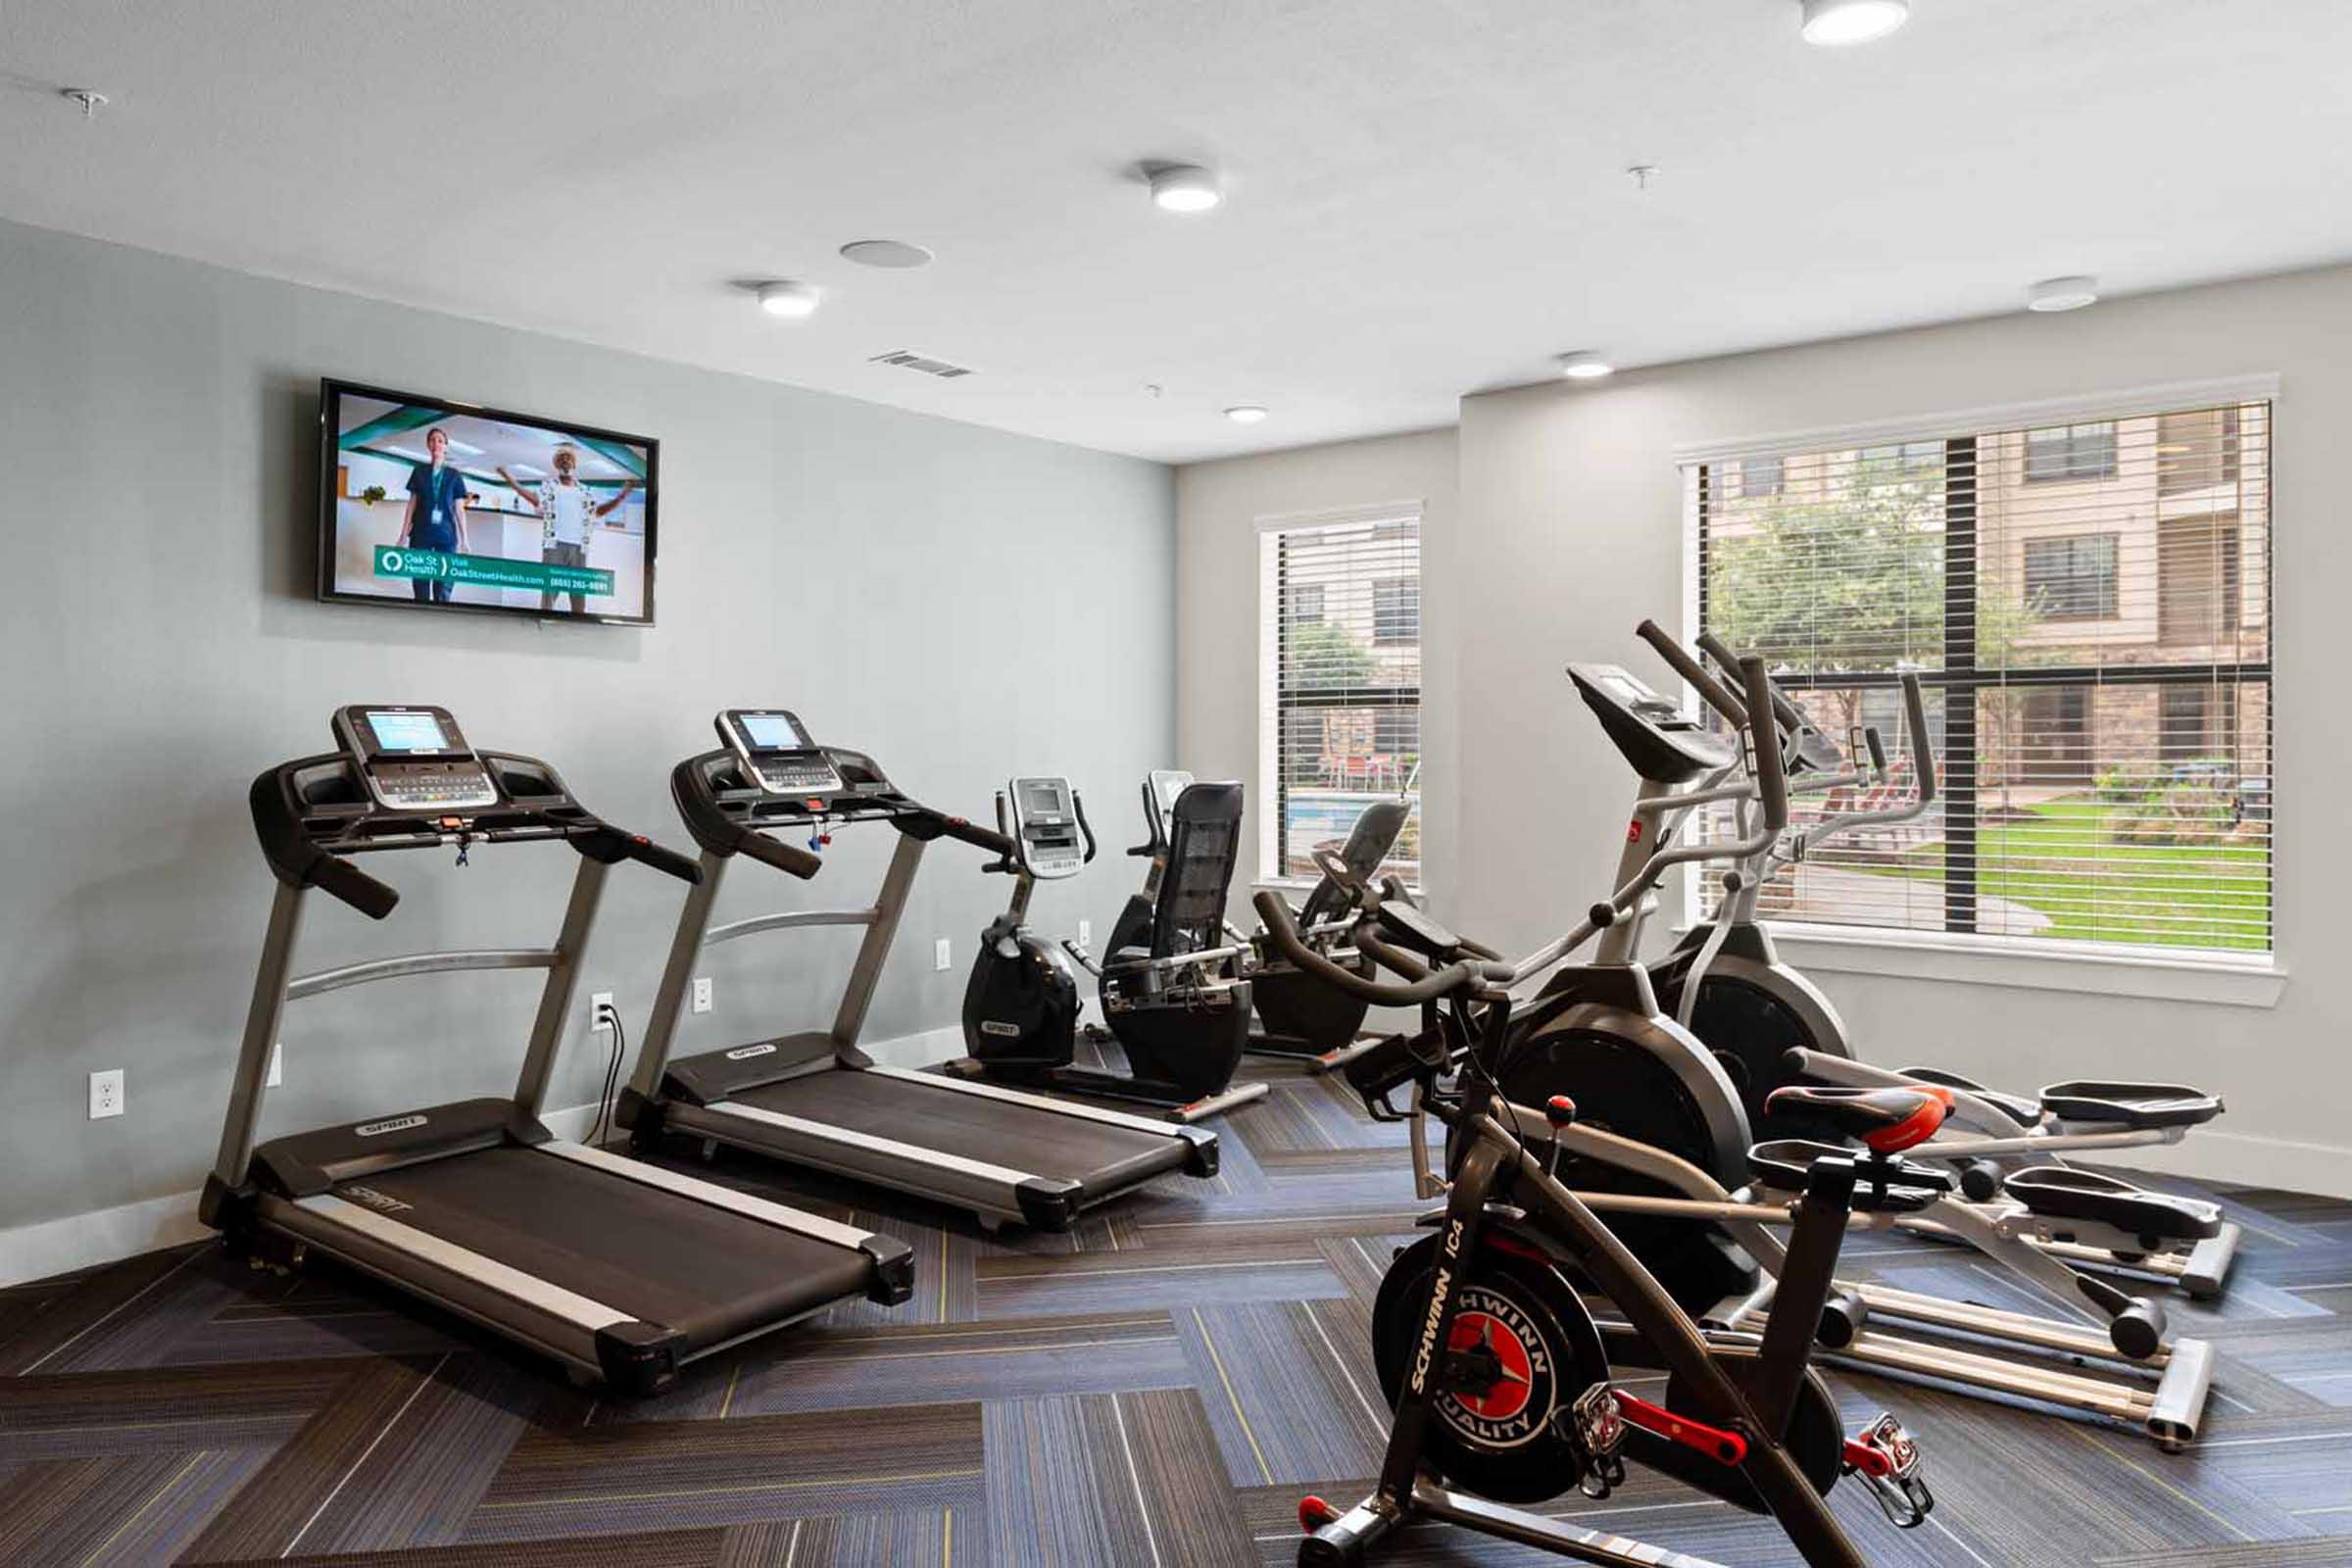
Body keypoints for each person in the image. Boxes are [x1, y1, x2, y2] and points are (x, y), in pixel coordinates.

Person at [498, 445, 637, 614]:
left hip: (580, 547)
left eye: (569, 458)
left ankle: (579, 626)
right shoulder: (549, 487)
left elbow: (598, 511)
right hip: (554, 546)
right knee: (549, 591)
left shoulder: (585, 491)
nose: (565, 461)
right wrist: (508, 478)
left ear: (574, 465)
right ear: (556, 465)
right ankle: (545, 621)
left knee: (578, 595)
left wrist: (622, 495)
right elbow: (533, 498)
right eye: (561, 459)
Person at [395, 427, 473, 604]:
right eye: (432, 440)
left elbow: (460, 510)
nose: (436, 444)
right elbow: (411, 505)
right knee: (420, 582)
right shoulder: (419, 472)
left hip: (446, 536)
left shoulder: (454, 475)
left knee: (443, 585)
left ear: (446, 446)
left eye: (440, 440)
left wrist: (465, 540)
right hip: (421, 533)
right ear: (428, 445)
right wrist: (402, 535)